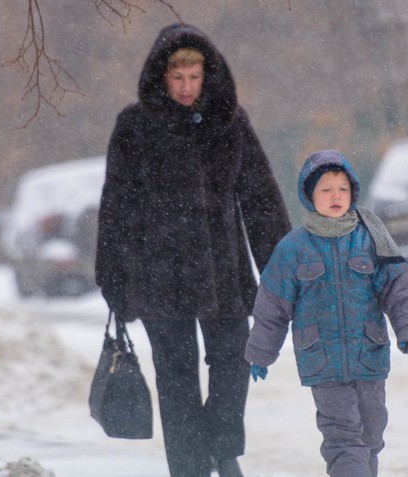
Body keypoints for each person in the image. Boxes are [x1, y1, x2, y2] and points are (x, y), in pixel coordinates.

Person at [95, 24, 291, 477]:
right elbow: (116, 206)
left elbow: (260, 198)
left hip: (223, 271)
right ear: (161, 76)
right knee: (176, 379)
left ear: (208, 75)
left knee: (234, 359)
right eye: (177, 77)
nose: (186, 87)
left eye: (194, 77)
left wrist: (282, 271)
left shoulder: (230, 121)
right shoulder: (134, 126)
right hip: (158, 275)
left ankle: (222, 449)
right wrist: (113, 277)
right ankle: (190, 469)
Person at [245, 149, 408, 477]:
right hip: (323, 364)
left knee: (371, 435)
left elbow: (400, 289)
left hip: (369, 358)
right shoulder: (293, 248)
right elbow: (272, 307)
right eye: (326, 190)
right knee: (343, 438)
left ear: (353, 193)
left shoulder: (371, 238)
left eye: (342, 189)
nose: (335, 196)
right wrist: (260, 352)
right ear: (309, 195)